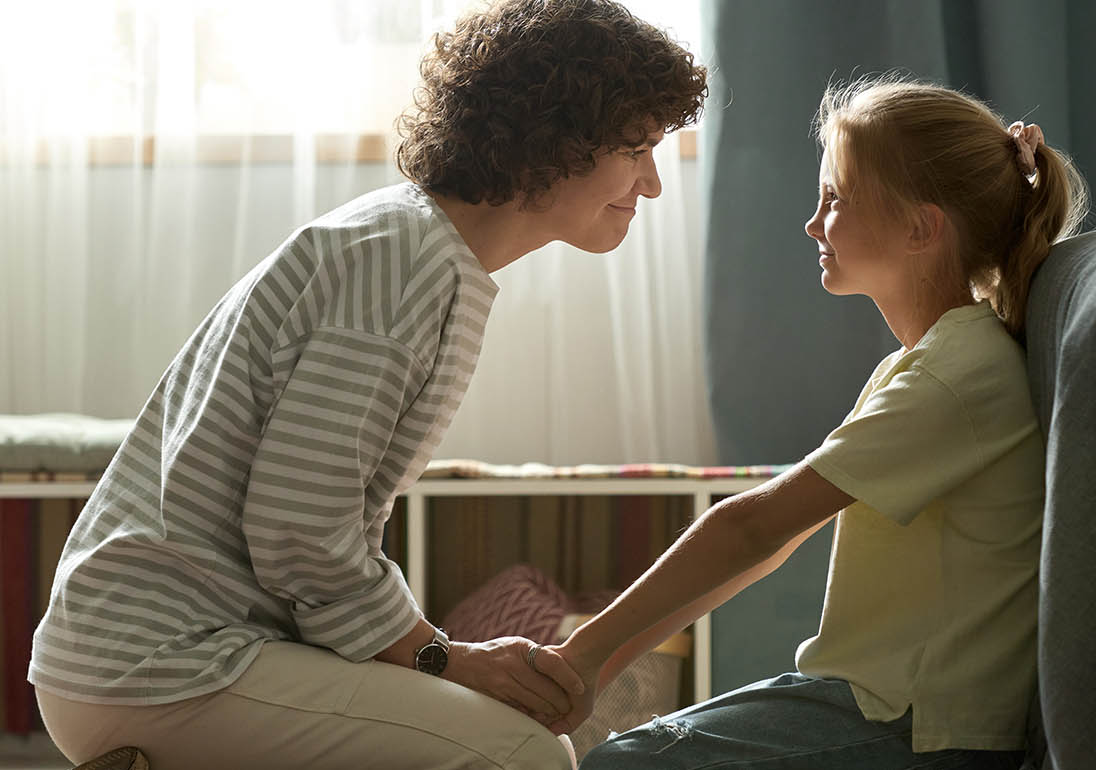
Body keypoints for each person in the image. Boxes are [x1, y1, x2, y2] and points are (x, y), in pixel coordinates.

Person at [27, 1, 706, 768]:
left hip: (177, 650)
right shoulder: (402, 266)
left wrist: (437, 656)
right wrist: (442, 657)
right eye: (637, 147)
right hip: (163, 661)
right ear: (552, 139)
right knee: (522, 754)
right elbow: (299, 529)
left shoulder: (416, 248)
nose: (651, 183)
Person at [552, 76, 1090, 769]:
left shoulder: (954, 377)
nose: (813, 223)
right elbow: (770, 539)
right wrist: (591, 666)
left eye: (834, 200)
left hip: (919, 723)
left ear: (919, 228)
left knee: (622, 764)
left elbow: (756, 526)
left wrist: (584, 652)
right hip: (881, 702)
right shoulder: (938, 360)